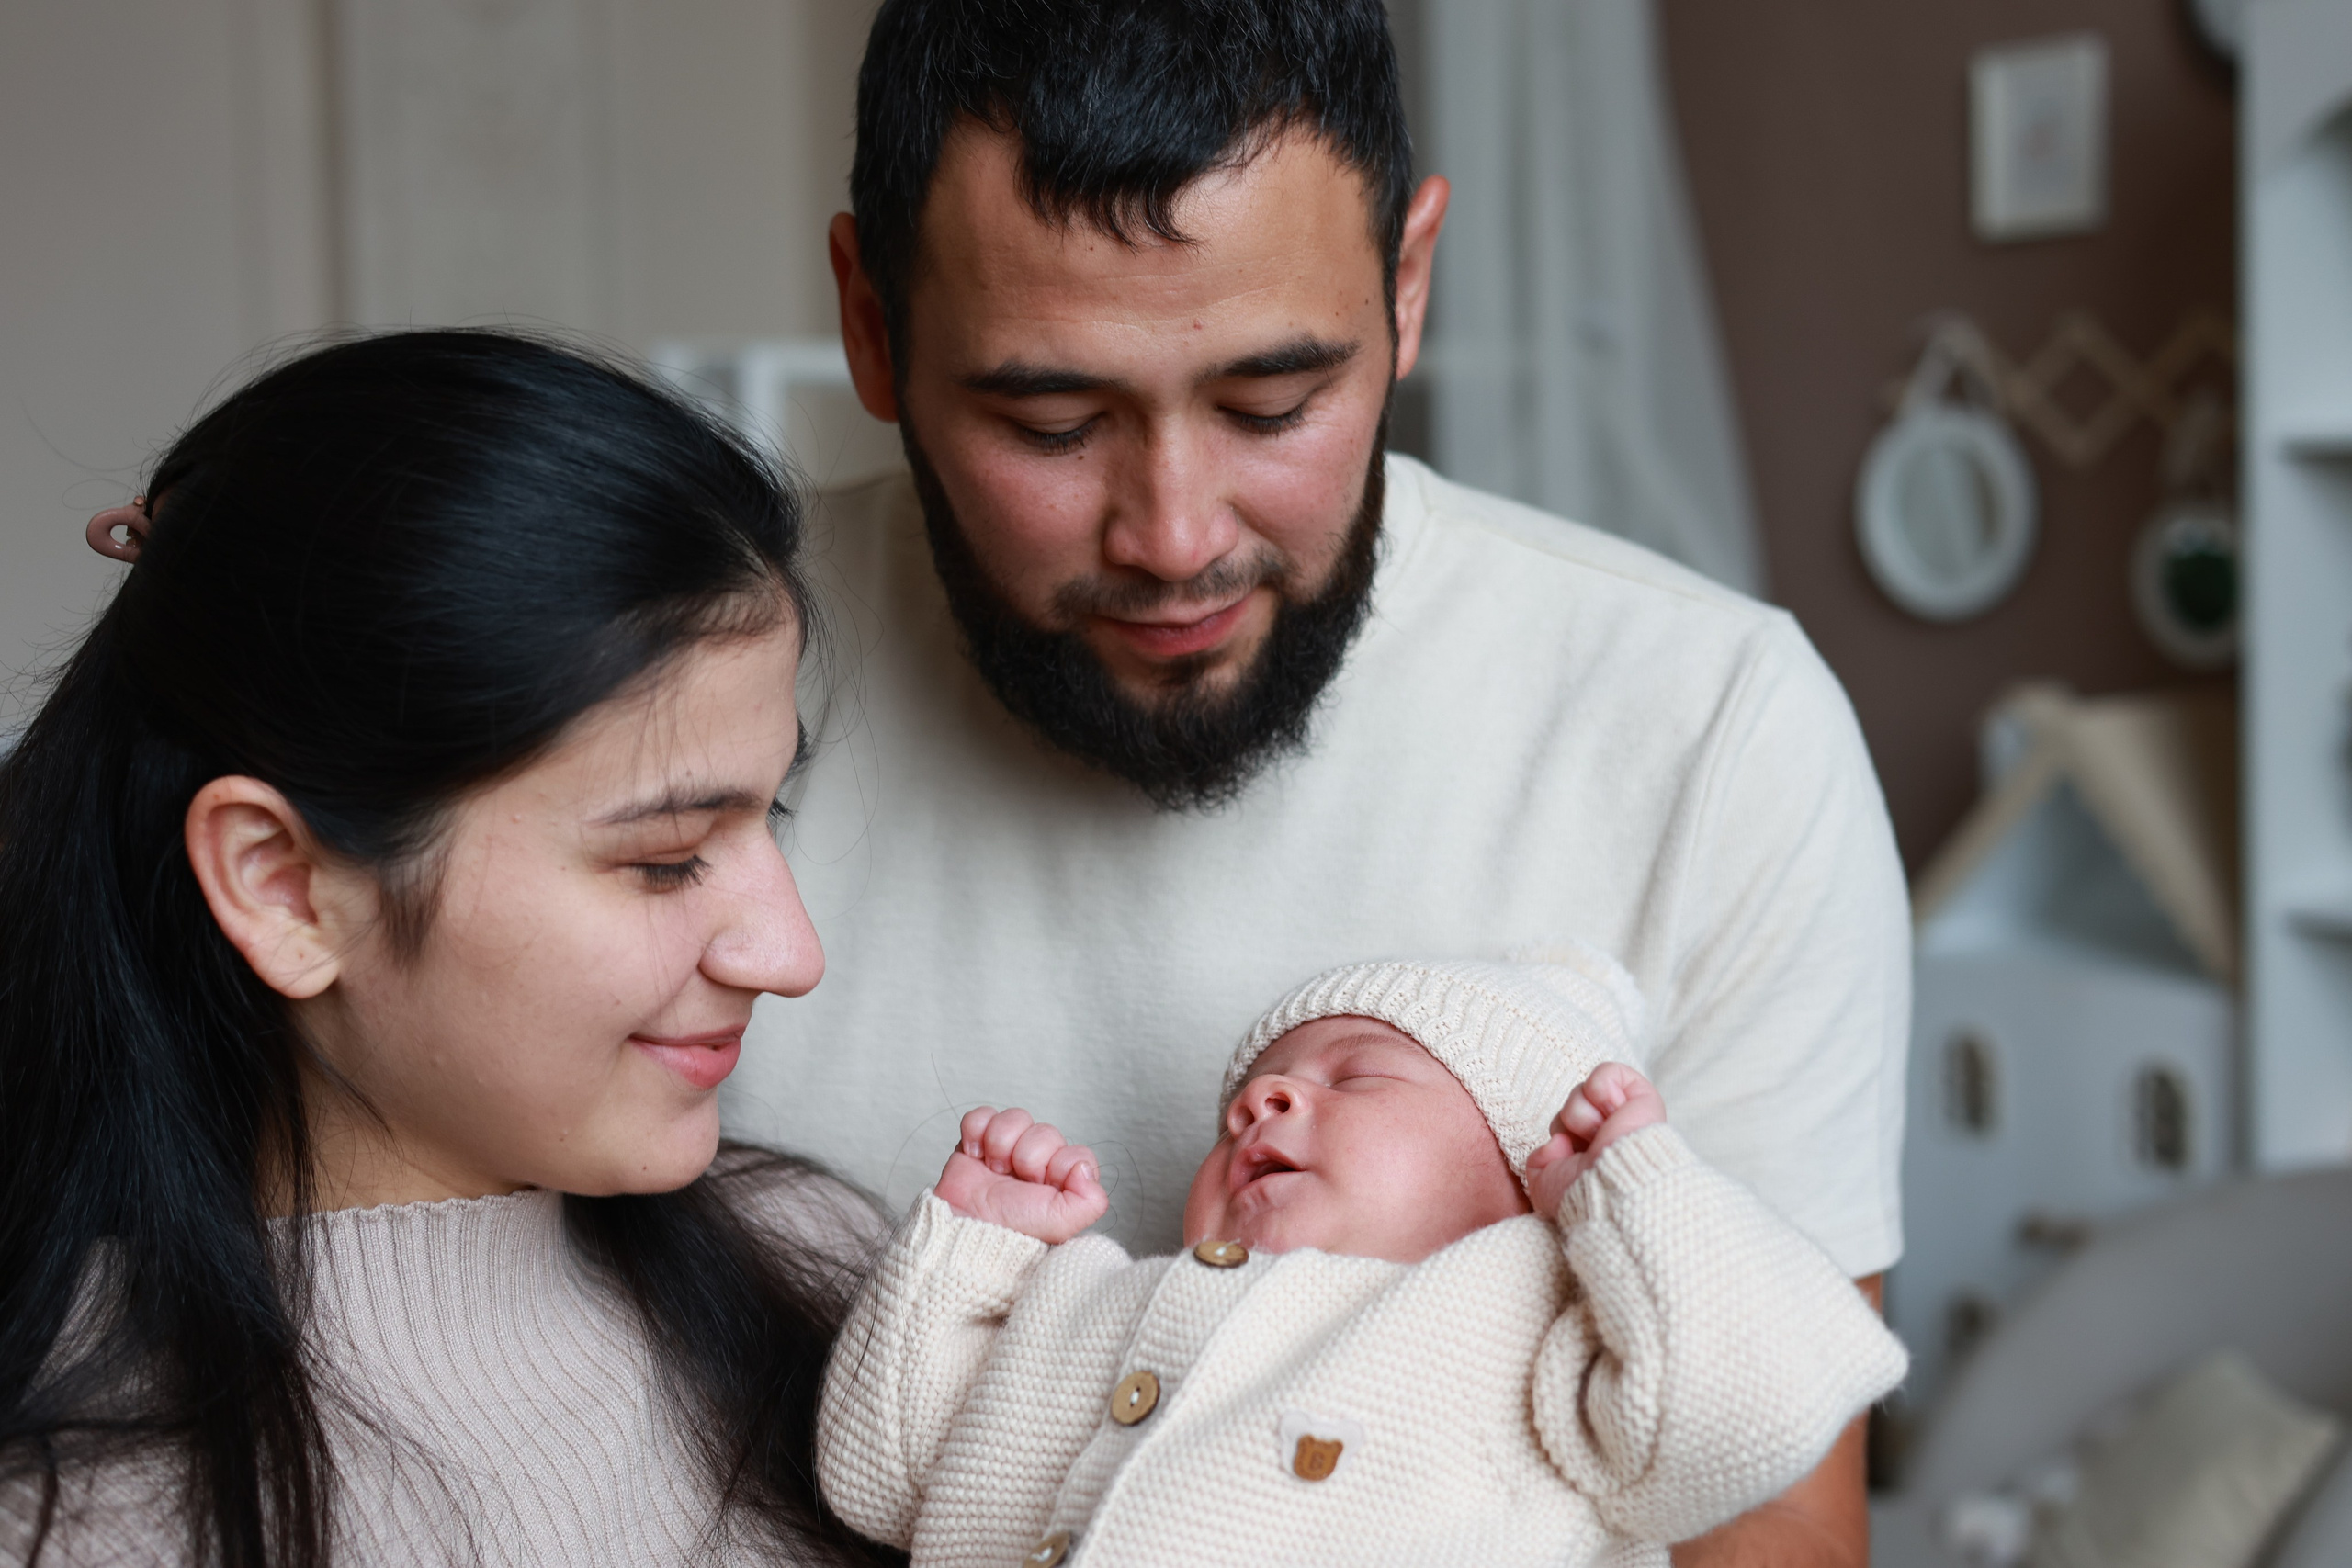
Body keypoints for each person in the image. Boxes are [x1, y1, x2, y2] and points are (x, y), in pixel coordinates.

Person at [735, 1, 1909, 1560]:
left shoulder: (1709, 727)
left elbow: (1772, 1518)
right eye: (1053, 421)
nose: (1174, 534)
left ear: (1408, 284)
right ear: (874, 330)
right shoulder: (677, 693)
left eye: (1271, 406)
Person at [0, 332, 899, 1566]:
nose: (791, 952)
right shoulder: (65, 1507)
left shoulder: (851, 1288)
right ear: (285, 887)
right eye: (665, 854)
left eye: (769, 813)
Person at [814, 953, 1906, 1566]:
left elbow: (1744, 1412)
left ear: (1529, 1179)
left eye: (1358, 1075)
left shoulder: (1540, 1329)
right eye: (1238, 1109)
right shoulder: (1099, 1302)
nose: (1258, 1104)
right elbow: (882, 1479)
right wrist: (972, 1247)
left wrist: (1636, 1199)